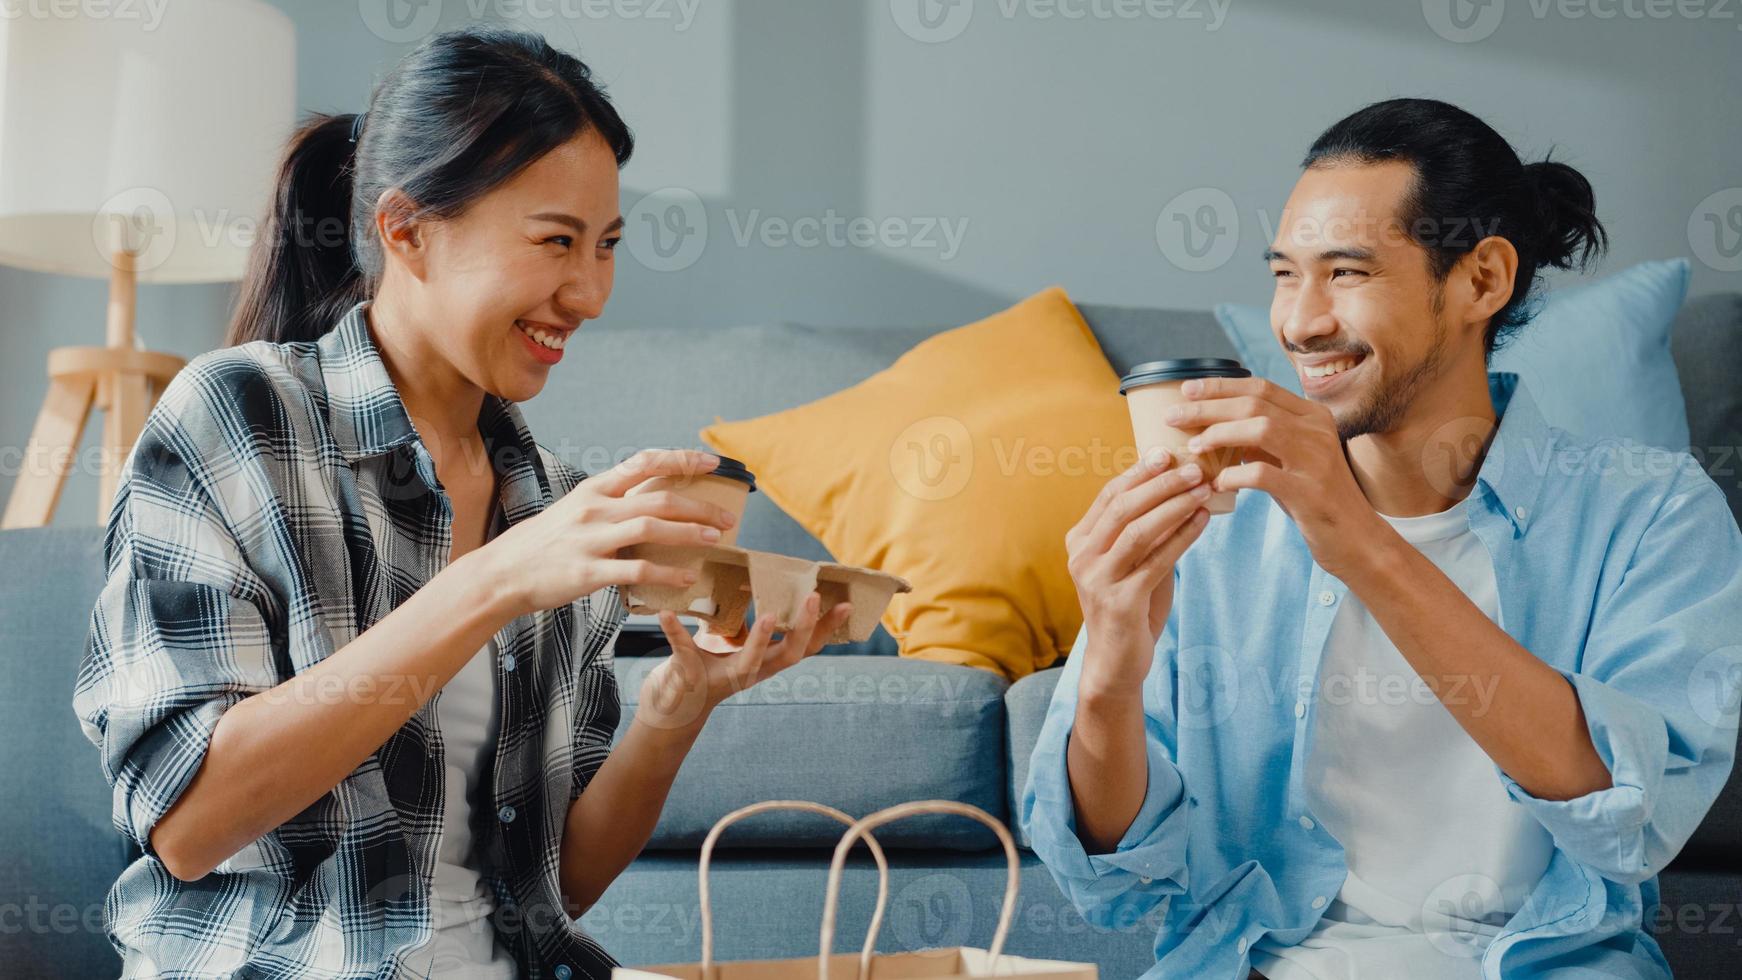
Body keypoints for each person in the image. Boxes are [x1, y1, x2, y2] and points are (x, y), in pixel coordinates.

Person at [73, 27, 851, 979]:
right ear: (407, 232)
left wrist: (680, 703)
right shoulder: (238, 416)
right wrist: (494, 581)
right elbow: (189, 824)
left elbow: (557, 888)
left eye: (606, 247)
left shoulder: (553, 503)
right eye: (557, 242)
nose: (592, 293)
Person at [1022, 97, 1742, 979]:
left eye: (1347, 273)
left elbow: (1630, 817)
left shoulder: (1652, 513)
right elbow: (1114, 882)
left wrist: (1355, 539)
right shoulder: (1219, 522)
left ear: (1482, 280)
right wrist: (1108, 678)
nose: (1300, 321)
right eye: (1286, 274)